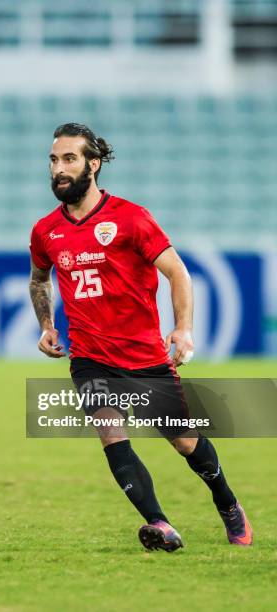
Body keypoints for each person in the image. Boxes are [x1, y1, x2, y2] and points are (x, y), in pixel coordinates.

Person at [29, 122, 252, 551]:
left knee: (185, 441)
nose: (59, 168)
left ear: (93, 165)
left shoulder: (131, 218)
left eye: (69, 159)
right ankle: (160, 524)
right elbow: (39, 280)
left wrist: (183, 329)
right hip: (90, 357)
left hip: (143, 357)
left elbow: (178, 273)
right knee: (111, 435)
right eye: (54, 160)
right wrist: (46, 326)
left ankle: (226, 501)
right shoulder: (45, 231)